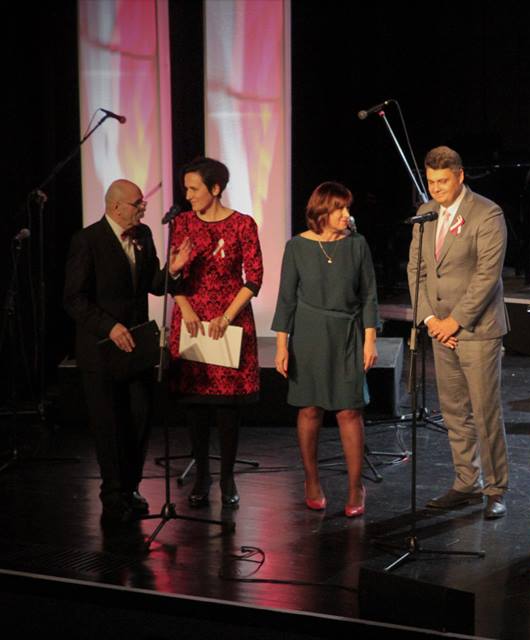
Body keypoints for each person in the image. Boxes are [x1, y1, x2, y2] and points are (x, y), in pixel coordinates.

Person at [64, 179, 192, 525]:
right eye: (138, 203)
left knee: (139, 417)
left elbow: (152, 285)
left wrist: (173, 270)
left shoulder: (143, 234)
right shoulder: (87, 240)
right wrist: (109, 326)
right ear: (116, 206)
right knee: (108, 423)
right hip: (102, 348)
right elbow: (74, 298)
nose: (143, 208)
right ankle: (112, 495)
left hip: (136, 347)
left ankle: (131, 487)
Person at [407, 146, 510, 519]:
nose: (436, 188)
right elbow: (416, 271)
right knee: (453, 412)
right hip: (440, 330)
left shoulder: (487, 213)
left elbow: (487, 276)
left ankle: (495, 488)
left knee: (484, 412)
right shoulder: (426, 214)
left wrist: (455, 321)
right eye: (431, 181)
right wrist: (430, 320)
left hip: (477, 329)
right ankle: (467, 482)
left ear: (460, 176)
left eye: (443, 181)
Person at [272, 182, 379, 517]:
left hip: (346, 333)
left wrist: (370, 339)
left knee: (349, 410)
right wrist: (281, 345)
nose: (346, 214)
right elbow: (286, 299)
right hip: (308, 334)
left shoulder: (357, 244)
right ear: (322, 212)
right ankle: (312, 479)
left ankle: (355, 487)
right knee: (310, 409)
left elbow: (369, 295)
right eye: (339, 208)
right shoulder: (297, 247)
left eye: (347, 208)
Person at [168, 157, 263, 508]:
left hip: (229, 320)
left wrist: (226, 316)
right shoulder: (182, 223)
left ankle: (227, 476)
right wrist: (186, 307)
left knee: (226, 408)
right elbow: (173, 276)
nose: (188, 195)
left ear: (216, 188)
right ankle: (202, 475)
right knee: (195, 404)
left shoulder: (242, 224)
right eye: (186, 189)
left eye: (194, 189)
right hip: (192, 319)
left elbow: (254, 277)